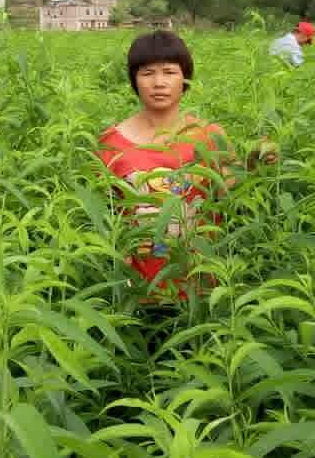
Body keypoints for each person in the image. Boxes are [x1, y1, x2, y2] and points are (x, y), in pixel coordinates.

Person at [97, 30, 275, 304]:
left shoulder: (209, 136)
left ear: (185, 79)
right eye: (147, 73)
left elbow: (229, 195)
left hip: (201, 291)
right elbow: (101, 216)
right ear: (134, 80)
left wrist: (253, 166)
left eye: (169, 72)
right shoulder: (111, 143)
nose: (159, 83)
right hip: (137, 294)